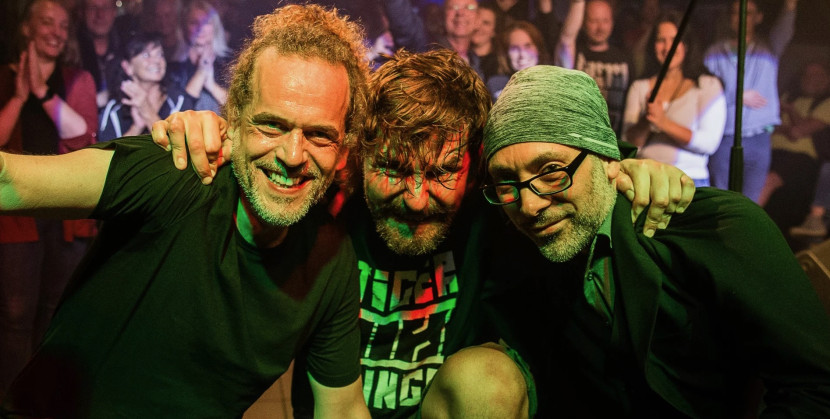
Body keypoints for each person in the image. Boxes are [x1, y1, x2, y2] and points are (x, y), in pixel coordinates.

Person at [152, 48, 697, 417]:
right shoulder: (325, 202)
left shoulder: (498, 215)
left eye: (441, 172)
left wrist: (630, 168)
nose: (416, 199)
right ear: (358, 156)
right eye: (393, 168)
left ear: (475, 169)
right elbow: (267, 157)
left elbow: (565, 173)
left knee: (489, 380)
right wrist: (205, 131)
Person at [0, 5, 371, 417]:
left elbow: (343, 410)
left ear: (343, 150)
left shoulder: (331, 257)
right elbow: (10, 183)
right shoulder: (177, 171)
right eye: (272, 125)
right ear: (235, 121)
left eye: (319, 135)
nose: (293, 155)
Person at [480, 64, 830, 417]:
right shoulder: (526, 248)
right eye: (506, 182)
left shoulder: (716, 228)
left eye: (552, 172)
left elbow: (816, 387)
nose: (529, 205)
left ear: (609, 160)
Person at [0, 0, 97, 398]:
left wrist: (41, 92)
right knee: (15, 315)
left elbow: (83, 138)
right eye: (46, 22)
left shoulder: (77, 80)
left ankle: (42, 399)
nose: (56, 31)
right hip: (16, 216)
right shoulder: (3, 79)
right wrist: (19, 97)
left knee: (56, 309)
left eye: (62, 25)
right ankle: (12, 400)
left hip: (64, 214)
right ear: (26, 28)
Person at [704, 0, 798, 203]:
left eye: (748, 13)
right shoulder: (714, 52)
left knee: (751, 202)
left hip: (758, 136)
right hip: (725, 135)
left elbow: (786, 25)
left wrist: (790, 6)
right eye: (736, 13)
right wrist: (736, 95)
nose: (741, 18)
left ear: (758, 17)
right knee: (721, 199)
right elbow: (704, 92)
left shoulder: (769, 48)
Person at [622, 11, 726, 187]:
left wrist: (664, 123)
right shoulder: (639, 87)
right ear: (653, 46)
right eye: (661, 40)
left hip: (690, 180)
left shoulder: (708, 85)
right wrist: (646, 121)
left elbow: (709, 143)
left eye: (674, 40)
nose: (667, 47)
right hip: (645, 180)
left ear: (686, 44)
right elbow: (628, 144)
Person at [761, 60, 830, 238]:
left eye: (818, 75)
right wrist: (785, 126)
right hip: (770, 153)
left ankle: (740, 225)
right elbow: (766, 126)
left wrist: (790, 111)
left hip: (802, 159)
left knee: (769, 180)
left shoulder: (826, 102)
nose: (812, 79)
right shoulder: (789, 96)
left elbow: (798, 132)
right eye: (808, 74)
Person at [98, 32, 195, 142]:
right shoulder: (115, 109)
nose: (157, 61)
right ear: (127, 67)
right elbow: (108, 152)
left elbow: (179, 148)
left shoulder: (179, 101)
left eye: (160, 54)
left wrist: (146, 110)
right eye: (146, 55)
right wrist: (136, 128)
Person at [555, 0, 632, 136]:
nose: (600, 28)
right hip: (579, 136)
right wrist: (578, 4)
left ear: (612, 22)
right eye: (594, 21)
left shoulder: (624, 59)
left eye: (605, 21)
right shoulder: (576, 54)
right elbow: (566, 39)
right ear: (583, 23)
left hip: (613, 140)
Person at [167, 0, 230, 114]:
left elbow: (240, 108)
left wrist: (211, 85)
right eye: (194, 22)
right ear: (184, 27)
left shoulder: (229, 62)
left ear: (215, 27)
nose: (200, 27)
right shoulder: (173, 68)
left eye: (206, 22)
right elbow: (177, 112)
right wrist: (201, 73)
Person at [487, 20, 552, 100]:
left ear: (538, 49)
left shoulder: (553, 82)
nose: (522, 55)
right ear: (506, 54)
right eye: (514, 48)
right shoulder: (496, 85)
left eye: (527, 46)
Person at [76, 0, 122, 108]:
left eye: (106, 8)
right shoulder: (71, 55)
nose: (100, 14)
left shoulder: (126, 50)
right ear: (82, 12)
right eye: (93, 8)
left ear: (114, 12)